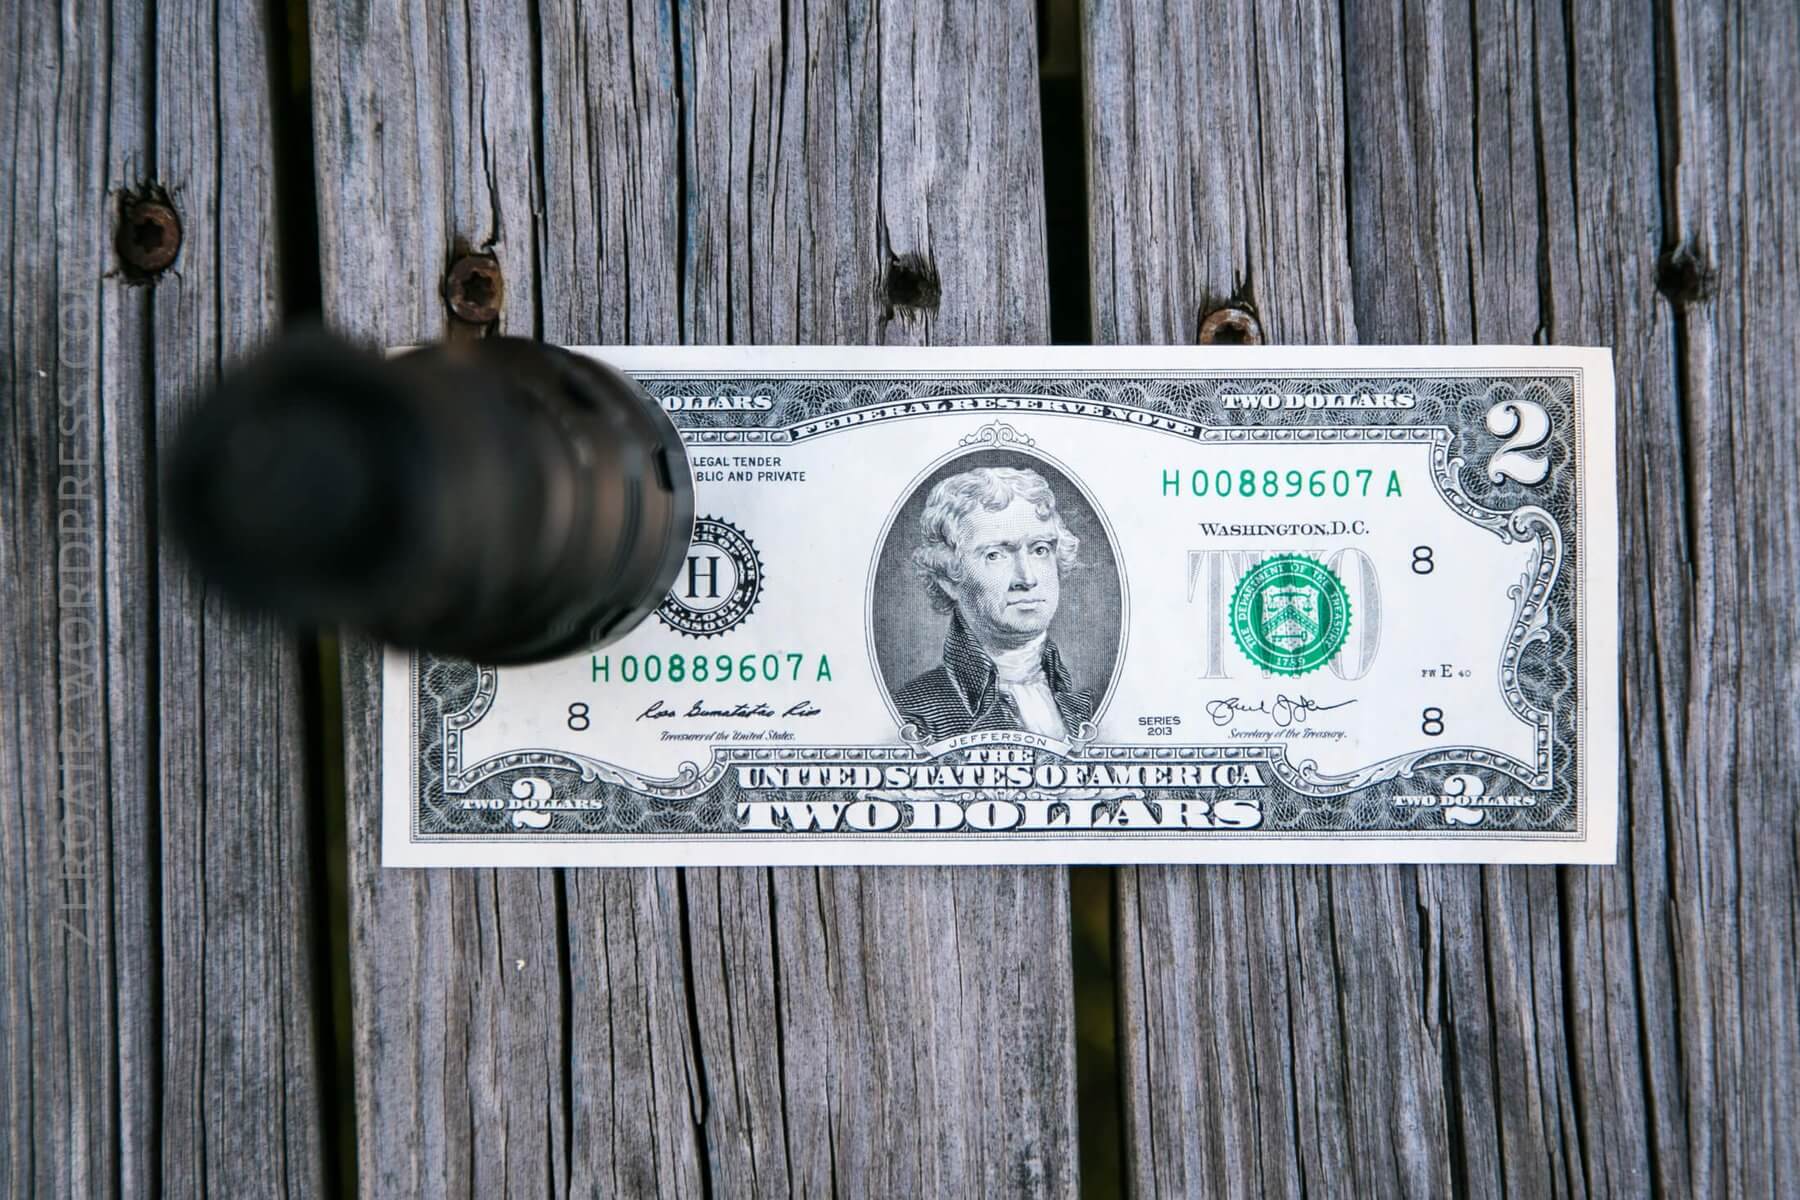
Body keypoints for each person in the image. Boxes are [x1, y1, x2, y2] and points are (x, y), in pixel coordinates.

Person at [894, 466, 1095, 740]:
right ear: (949, 578)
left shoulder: (1085, 707)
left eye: (1040, 550)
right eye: (995, 555)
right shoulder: (914, 715)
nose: (1027, 578)